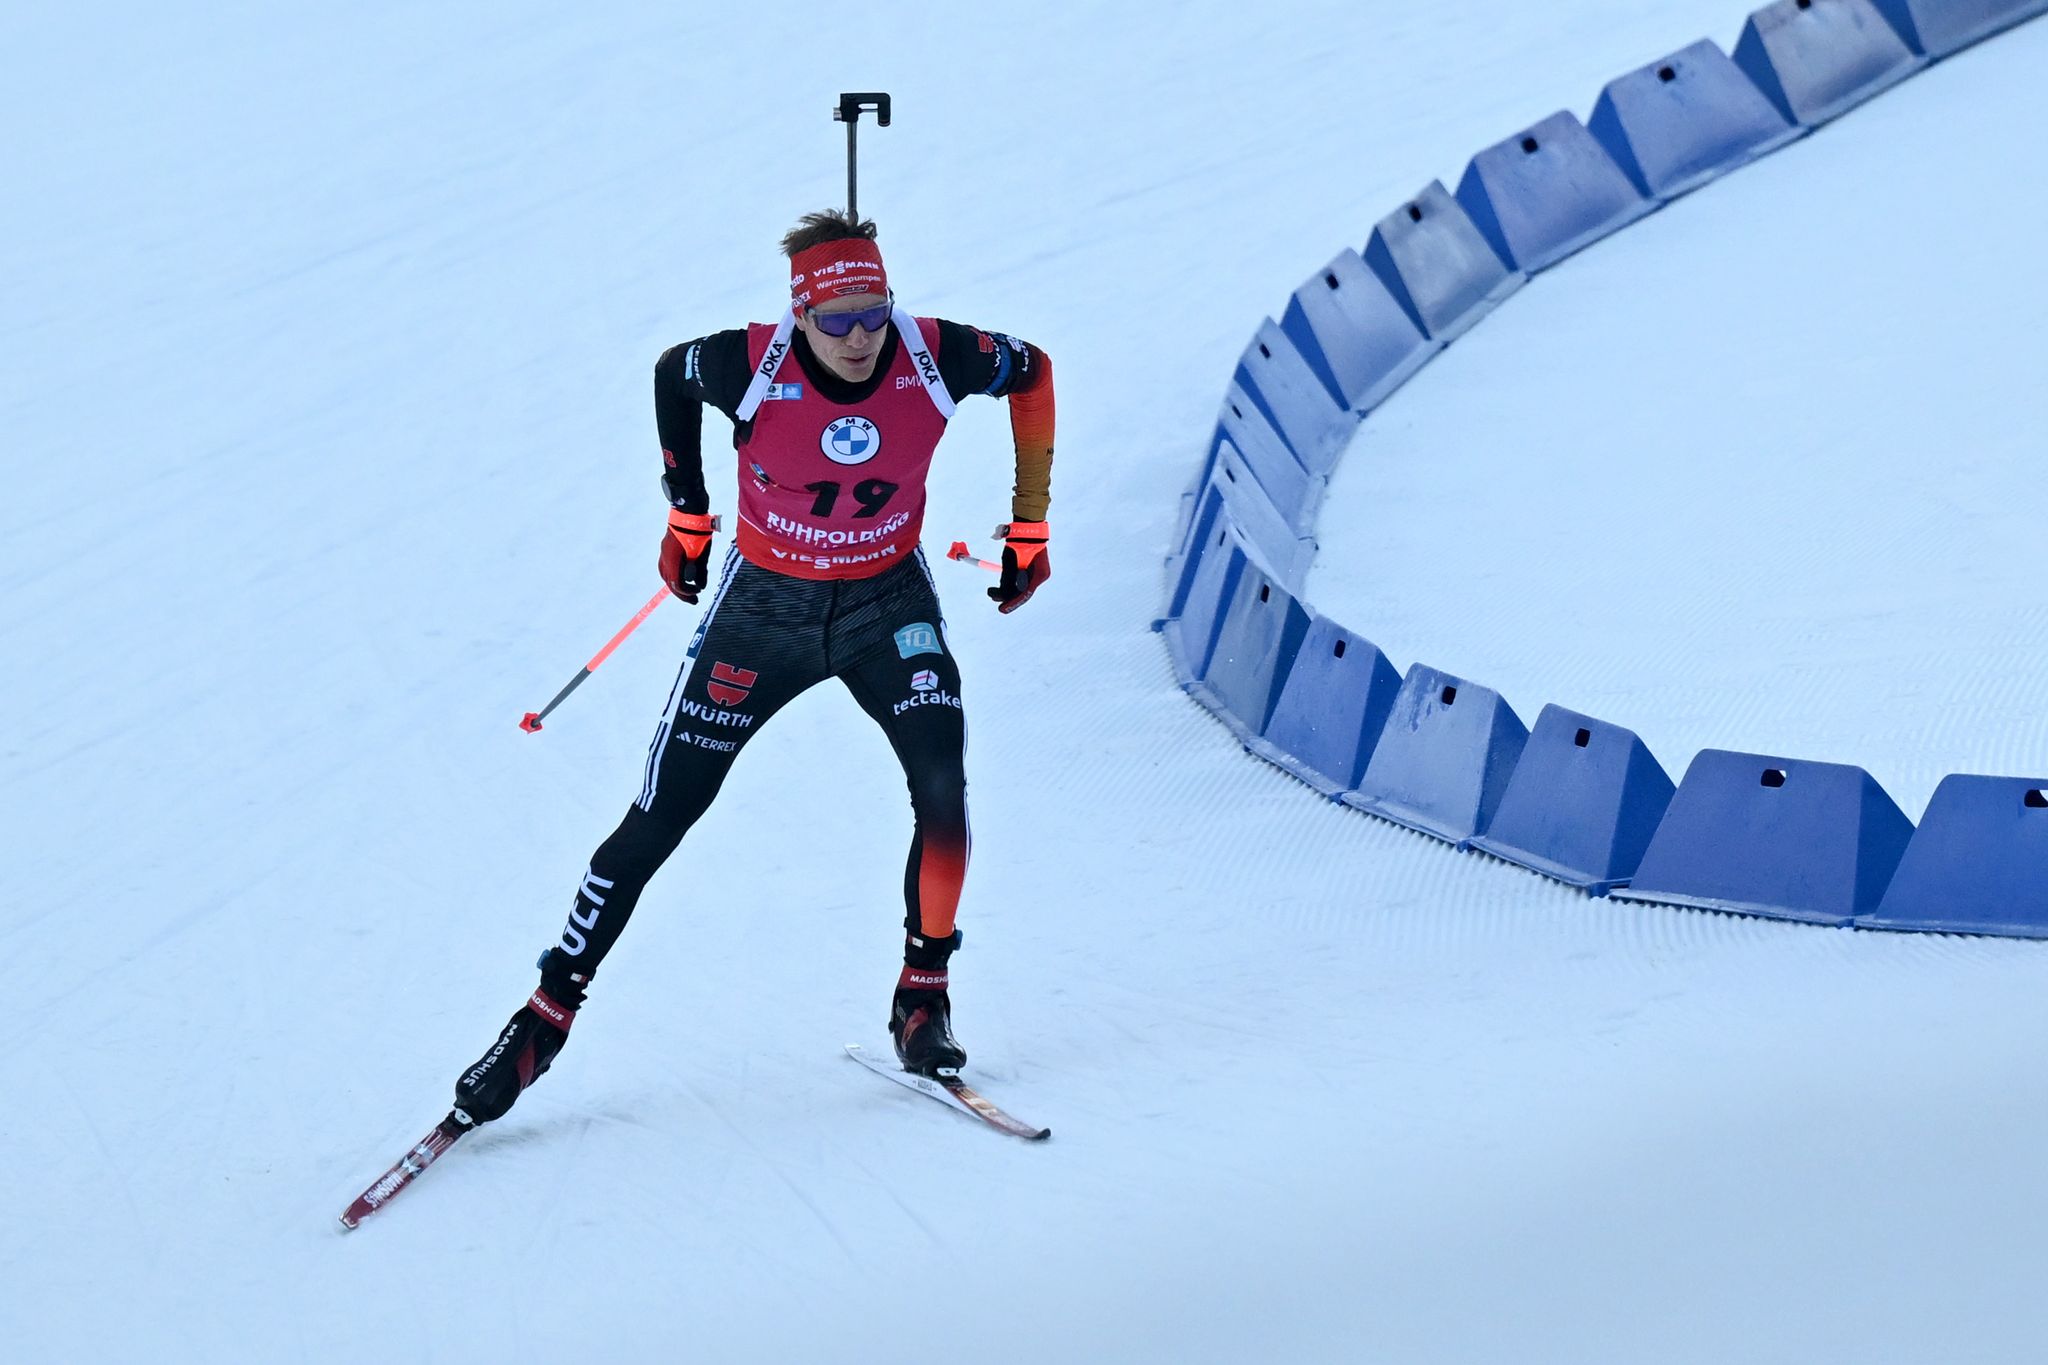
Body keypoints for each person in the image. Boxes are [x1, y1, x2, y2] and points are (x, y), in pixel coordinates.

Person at [451, 209, 1056, 1126]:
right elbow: (672, 373)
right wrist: (688, 515)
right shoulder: (749, 363)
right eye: (836, 320)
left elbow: (1034, 371)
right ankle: (545, 1015)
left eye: (875, 313)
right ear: (799, 315)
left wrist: (1031, 521)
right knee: (661, 814)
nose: (860, 337)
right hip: (762, 616)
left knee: (943, 789)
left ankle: (922, 996)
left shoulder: (938, 354)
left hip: (886, 605)